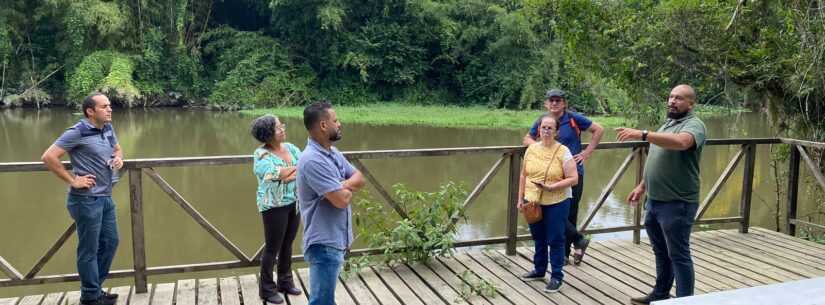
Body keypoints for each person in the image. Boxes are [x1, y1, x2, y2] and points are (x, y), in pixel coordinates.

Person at [616, 84, 706, 304]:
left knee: (679, 254)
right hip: (654, 201)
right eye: (671, 97)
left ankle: (685, 301)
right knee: (661, 252)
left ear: (691, 104)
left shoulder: (695, 125)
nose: (672, 101)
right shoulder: (668, 124)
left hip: (677, 202)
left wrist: (644, 134)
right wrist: (642, 186)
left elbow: (683, 143)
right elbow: (658, 157)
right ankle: (661, 293)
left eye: (679, 98)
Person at [41, 93, 122, 305]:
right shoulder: (77, 132)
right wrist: (73, 180)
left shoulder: (107, 128)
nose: (109, 109)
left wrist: (118, 158)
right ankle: (90, 296)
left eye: (109, 106)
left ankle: (94, 289)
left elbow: (116, 148)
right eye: (104, 106)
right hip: (85, 200)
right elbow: (49, 157)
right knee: (89, 249)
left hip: (105, 197)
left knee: (111, 242)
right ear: (90, 111)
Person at [523, 89, 604, 265]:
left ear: (564, 103)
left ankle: (566, 254)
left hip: (572, 175)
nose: (554, 103)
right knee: (547, 213)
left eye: (558, 100)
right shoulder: (543, 122)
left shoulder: (574, 118)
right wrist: (539, 146)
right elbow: (527, 139)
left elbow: (598, 129)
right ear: (546, 103)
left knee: (570, 214)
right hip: (550, 178)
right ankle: (578, 240)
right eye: (551, 100)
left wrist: (586, 153)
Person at [296, 101, 365, 305]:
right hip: (323, 242)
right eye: (335, 120)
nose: (339, 124)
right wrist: (341, 189)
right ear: (324, 125)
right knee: (321, 301)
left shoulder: (332, 152)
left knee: (325, 299)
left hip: (335, 238)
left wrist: (339, 185)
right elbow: (342, 200)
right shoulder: (312, 160)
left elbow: (360, 178)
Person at [518, 115, 579, 293]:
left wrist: (553, 187)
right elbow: (523, 175)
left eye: (550, 128)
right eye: (543, 127)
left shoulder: (563, 151)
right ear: (539, 129)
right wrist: (520, 199)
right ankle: (539, 270)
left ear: (556, 131)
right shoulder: (531, 149)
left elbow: (574, 179)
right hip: (533, 200)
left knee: (556, 238)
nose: (546, 131)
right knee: (538, 237)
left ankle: (557, 277)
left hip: (557, 200)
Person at [250, 115, 303, 304]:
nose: (283, 129)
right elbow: (273, 174)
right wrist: (290, 172)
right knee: (272, 248)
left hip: (294, 201)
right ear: (268, 134)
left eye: (282, 126)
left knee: (288, 244)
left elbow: (304, 167)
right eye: (279, 127)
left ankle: (285, 282)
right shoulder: (261, 155)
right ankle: (266, 289)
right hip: (273, 206)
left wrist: (290, 172)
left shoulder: (291, 148)